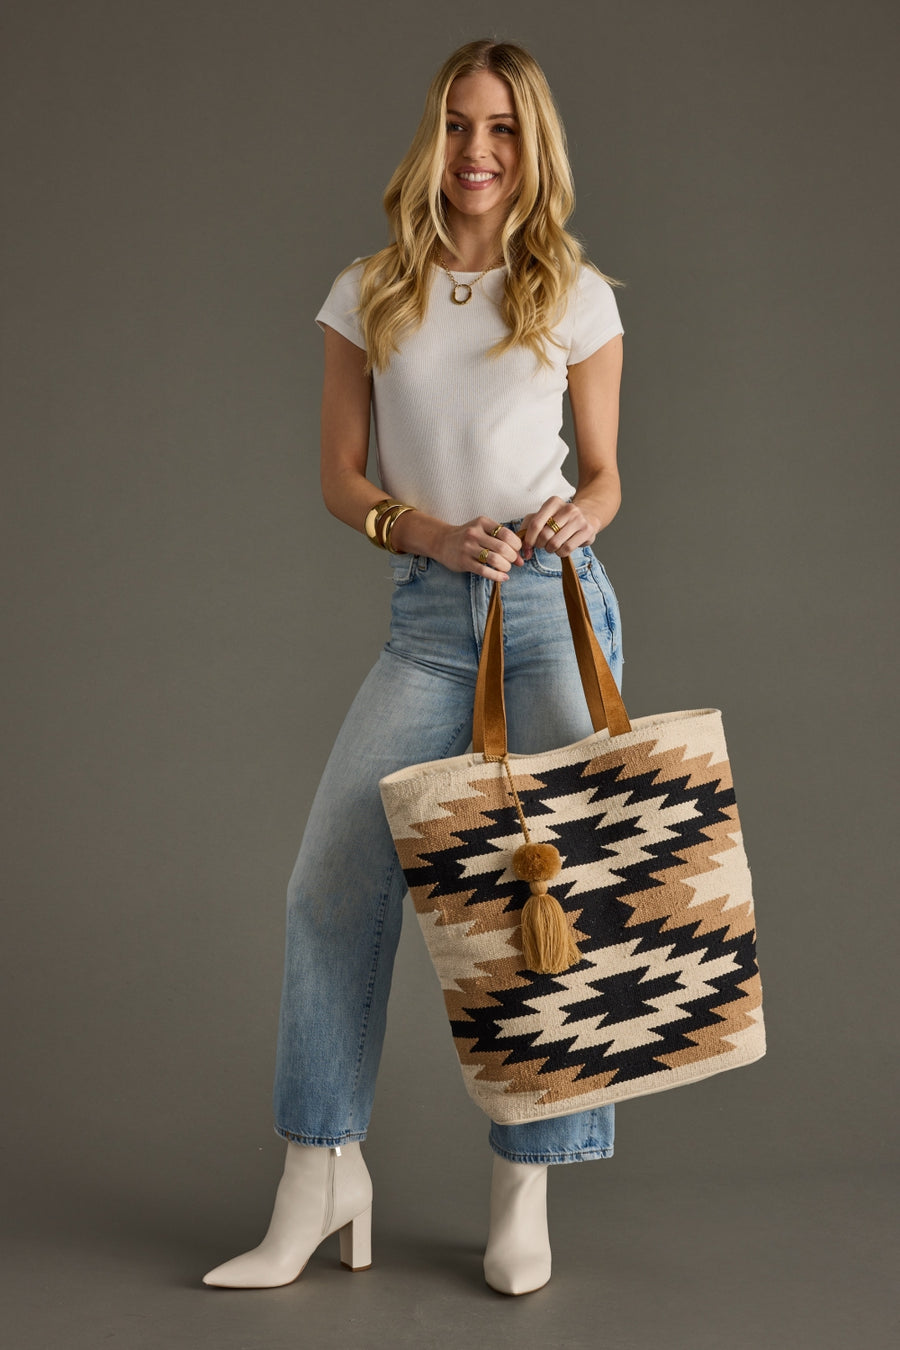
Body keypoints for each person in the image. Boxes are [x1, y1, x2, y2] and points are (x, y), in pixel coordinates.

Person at [203, 37, 625, 1297]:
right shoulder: (371, 289)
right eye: (457, 126)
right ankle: (320, 1173)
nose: (478, 152)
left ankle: (523, 1184)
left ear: (529, 144)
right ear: (430, 139)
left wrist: (579, 517)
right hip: (429, 622)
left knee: (532, 895)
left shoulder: (577, 294)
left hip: (553, 611)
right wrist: (428, 531)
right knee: (330, 887)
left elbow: (603, 474)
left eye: (499, 128)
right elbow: (342, 478)